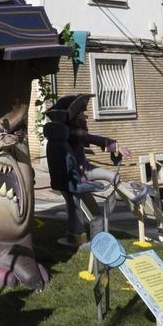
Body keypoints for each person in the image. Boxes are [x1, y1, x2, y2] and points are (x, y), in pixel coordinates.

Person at [43, 94, 123, 247]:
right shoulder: (70, 133)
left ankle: (91, 227)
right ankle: (77, 234)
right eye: (81, 113)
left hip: (83, 170)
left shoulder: (66, 134)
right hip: (77, 176)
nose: (84, 117)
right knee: (75, 205)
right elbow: (90, 138)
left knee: (112, 178)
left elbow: (89, 138)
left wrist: (113, 146)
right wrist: (111, 144)